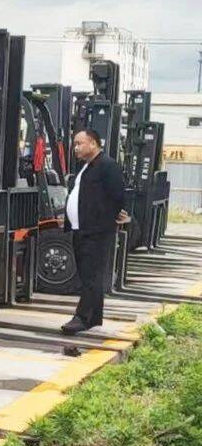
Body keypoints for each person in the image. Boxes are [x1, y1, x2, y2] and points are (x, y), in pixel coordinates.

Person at [61, 127, 128, 335]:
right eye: (75, 144)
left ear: (93, 143)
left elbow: (118, 194)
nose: (75, 148)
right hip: (82, 230)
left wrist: (110, 218)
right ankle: (93, 317)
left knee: (91, 275)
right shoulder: (87, 167)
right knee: (87, 275)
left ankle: (82, 317)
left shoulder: (107, 165)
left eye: (79, 143)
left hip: (96, 231)